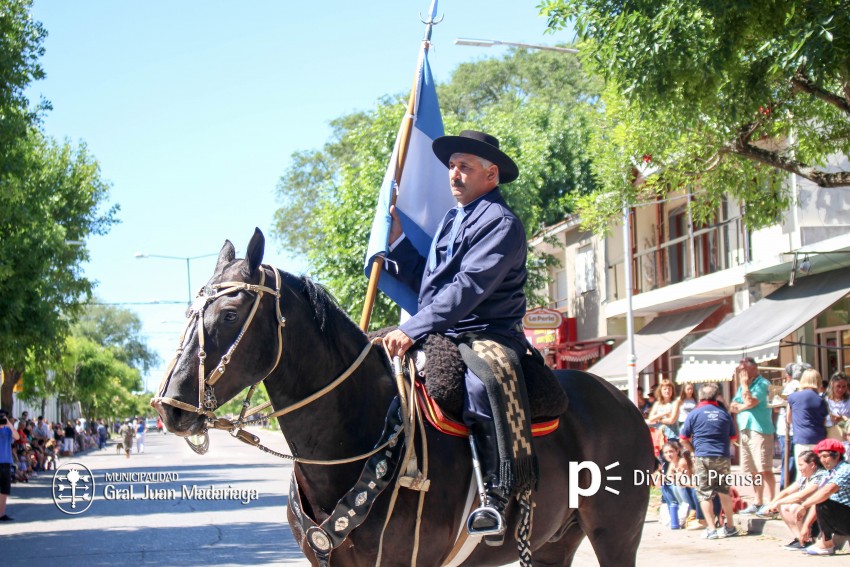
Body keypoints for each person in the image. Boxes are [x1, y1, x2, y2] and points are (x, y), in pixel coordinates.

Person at [383, 130, 531, 542]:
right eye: (451, 167)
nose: (454, 175)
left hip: (488, 333)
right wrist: (394, 240)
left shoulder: (501, 223)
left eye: (464, 167)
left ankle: (498, 498)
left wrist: (411, 328)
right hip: (444, 329)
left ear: (491, 174)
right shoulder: (452, 220)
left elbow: (466, 289)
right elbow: (432, 285)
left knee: (481, 384)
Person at [679, 382, 739, 540]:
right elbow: (733, 438)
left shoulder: (694, 413)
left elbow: (683, 438)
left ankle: (711, 529)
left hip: (702, 456)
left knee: (704, 494)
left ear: (700, 396)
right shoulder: (724, 413)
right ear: (716, 395)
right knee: (723, 492)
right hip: (722, 456)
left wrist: (693, 451)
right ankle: (730, 527)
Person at [729, 357, 776, 515]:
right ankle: (758, 501)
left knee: (764, 468)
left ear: (753, 367)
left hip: (759, 429)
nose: (741, 373)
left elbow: (751, 401)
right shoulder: (745, 385)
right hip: (745, 429)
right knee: (752, 470)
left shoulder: (762, 383)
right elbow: (733, 406)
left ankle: (773, 502)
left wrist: (743, 386)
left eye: (744, 369)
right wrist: (743, 405)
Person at [795, 438, 850, 555]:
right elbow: (818, 499)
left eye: (825, 456)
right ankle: (819, 540)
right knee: (820, 501)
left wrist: (804, 505)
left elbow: (827, 491)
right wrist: (806, 526)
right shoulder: (828, 473)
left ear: (837, 455)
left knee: (823, 501)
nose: (823, 460)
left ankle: (826, 544)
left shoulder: (845, 469)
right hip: (839, 518)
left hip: (846, 516)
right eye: (820, 457)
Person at [763, 450, 827, 550]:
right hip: (808, 510)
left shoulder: (820, 476)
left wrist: (778, 502)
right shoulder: (804, 476)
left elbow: (801, 496)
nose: (799, 468)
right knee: (783, 506)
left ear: (812, 465)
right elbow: (786, 492)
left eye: (801, 465)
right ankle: (800, 539)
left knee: (794, 507)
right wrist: (772, 503)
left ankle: (807, 539)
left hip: (821, 512)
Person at [776, 362, 808, 489]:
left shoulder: (792, 386)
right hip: (789, 431)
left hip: (790, 430)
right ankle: (786, 489)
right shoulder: (795, 386)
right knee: (791, 462)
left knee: (792, 461)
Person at [787, 368, 828, 462]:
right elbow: (824, 421)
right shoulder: (820, 400)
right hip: (818, 439)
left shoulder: (793, 397)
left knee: (802, 472)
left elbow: (789, 419)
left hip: (801, 439)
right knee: (818, 472)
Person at [0, 410, 20, 521]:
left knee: (4, 489)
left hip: (6, 461)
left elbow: (17, 437)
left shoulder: (8, 430)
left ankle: (1, 514)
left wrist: (9, 425)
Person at [824, 372, 850, 441]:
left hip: (846, 438)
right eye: (838, 386)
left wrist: (843, 419)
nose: (841, 390)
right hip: (830, 437)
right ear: (832, 384)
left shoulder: (848, 401)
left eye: (844, 387)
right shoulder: (825, 400)